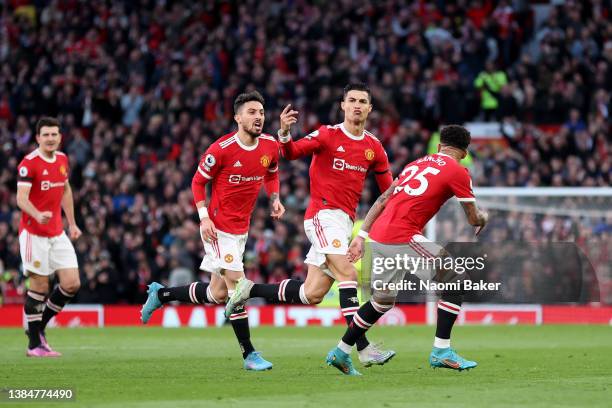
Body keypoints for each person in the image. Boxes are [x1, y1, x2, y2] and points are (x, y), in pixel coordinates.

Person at [226, 83, 395, 367]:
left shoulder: (374, 147)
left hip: (344, 222)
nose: (356, 105)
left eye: (362, 101)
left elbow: (388, 193)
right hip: (322, 215)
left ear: (369, 108)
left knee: (311, 293)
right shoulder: (328, 134)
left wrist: (366, 233)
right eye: (351, 100)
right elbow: (291, 153)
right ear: (343, 105)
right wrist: (283, 133)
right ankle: (362, 348)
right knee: (349, 276)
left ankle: (248, 290)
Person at [325, 124, 489, 375]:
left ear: (438, 146)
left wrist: (362, 236)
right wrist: (483, 217)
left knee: (382, 301)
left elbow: (382, 199)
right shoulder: (458, 171)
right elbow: (473, 219)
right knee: (457, 281)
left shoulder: (415, 164)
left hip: (378, 235)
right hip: (402, 237)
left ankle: (341, 351)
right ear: (465, 153)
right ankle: (441, 351)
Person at [140, 91, 284, 371]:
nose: (258, 118)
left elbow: (272, 172)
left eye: (262, 113)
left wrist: (275, 197)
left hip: (242, 229)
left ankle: (162, 295)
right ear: (237, 117)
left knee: (218, 294)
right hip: (218, 230)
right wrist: (204, 218)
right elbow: (197, 183)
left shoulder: (269, 145)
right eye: (252, 112)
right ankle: (249, 354)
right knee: (238, 288)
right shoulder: (221, 149)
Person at [16, 117, 82, 357]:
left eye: (54, 134)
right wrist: (36, 213)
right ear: (38, 138)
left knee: (72, 283)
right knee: (40, 285)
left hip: (57, 232)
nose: (51, 138)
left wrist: (72, 224)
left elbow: (65, 189)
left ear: (60, 137)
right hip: (34, 234)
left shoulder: (63, 160)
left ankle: (37, 326)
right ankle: (34, 344)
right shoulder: (29, 163)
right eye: (46, 135)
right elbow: (21, 198)